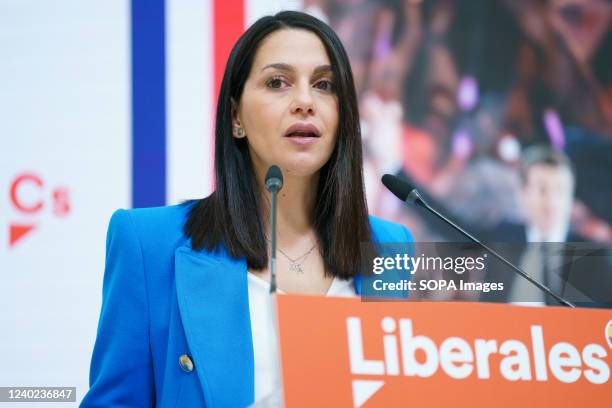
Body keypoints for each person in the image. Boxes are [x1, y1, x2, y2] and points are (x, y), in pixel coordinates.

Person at [80, 11, 413, 407]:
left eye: (324, 85)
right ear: (236, 117)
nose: (305, 101)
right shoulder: (148, 244)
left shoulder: (391, 246)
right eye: (277, 82)